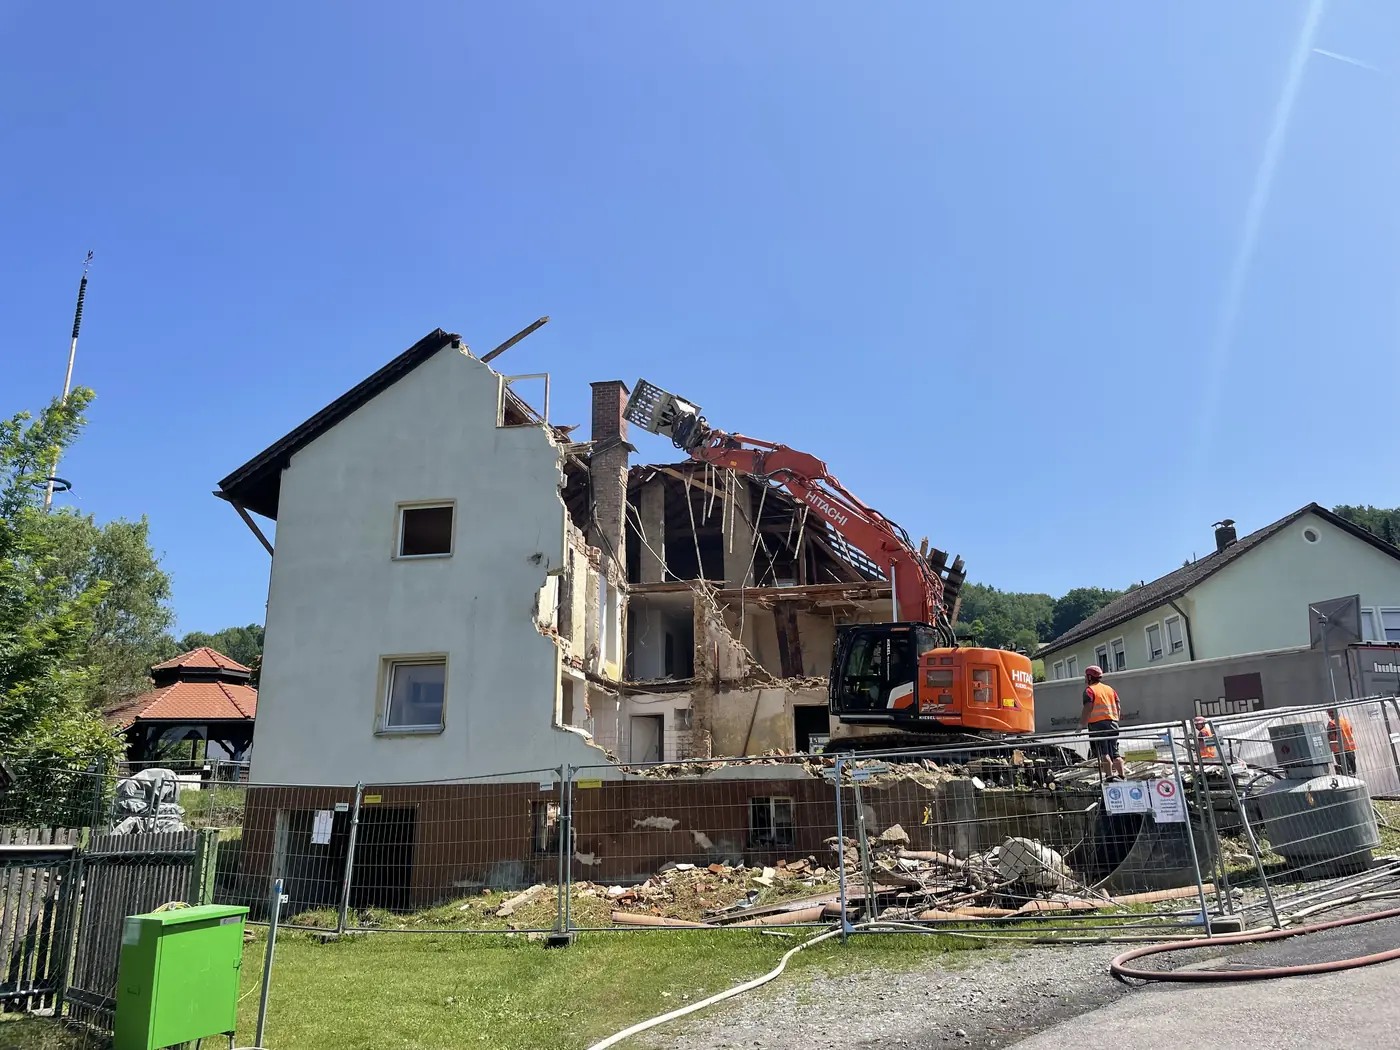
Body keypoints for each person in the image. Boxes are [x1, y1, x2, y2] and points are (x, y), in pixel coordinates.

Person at [1080, 665, 1126, 780]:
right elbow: (1118, 705)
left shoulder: (1089, 691)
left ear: (1090, 677)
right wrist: (1116, 719)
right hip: (1113, 723)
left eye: (1086, 676)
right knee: (1115, 752)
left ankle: (1109, 777)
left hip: (1097, 725)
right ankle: (1122, 775)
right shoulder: (1110, 689)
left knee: (1103, 752)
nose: (1085, 678)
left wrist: (1081, 725)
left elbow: (1088, 707)